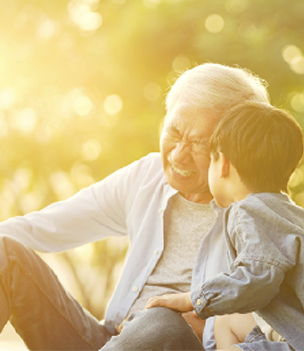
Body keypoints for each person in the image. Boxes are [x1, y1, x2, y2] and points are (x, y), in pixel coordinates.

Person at [0, 63, 270, 351]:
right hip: (109, 341)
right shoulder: (147, 176)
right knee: (4, 251)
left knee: (161, 321)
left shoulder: (260, 216)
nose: (179, 155)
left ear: (234, 149)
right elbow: (43, 228)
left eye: (200, 144)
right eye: (174, 132)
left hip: (177, 341)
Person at [146, 101, 304, 351]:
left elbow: (256, 280)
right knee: (224, 321)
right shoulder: (297, 216)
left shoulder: (247, 210)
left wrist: (193, 299)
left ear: (222, 163)